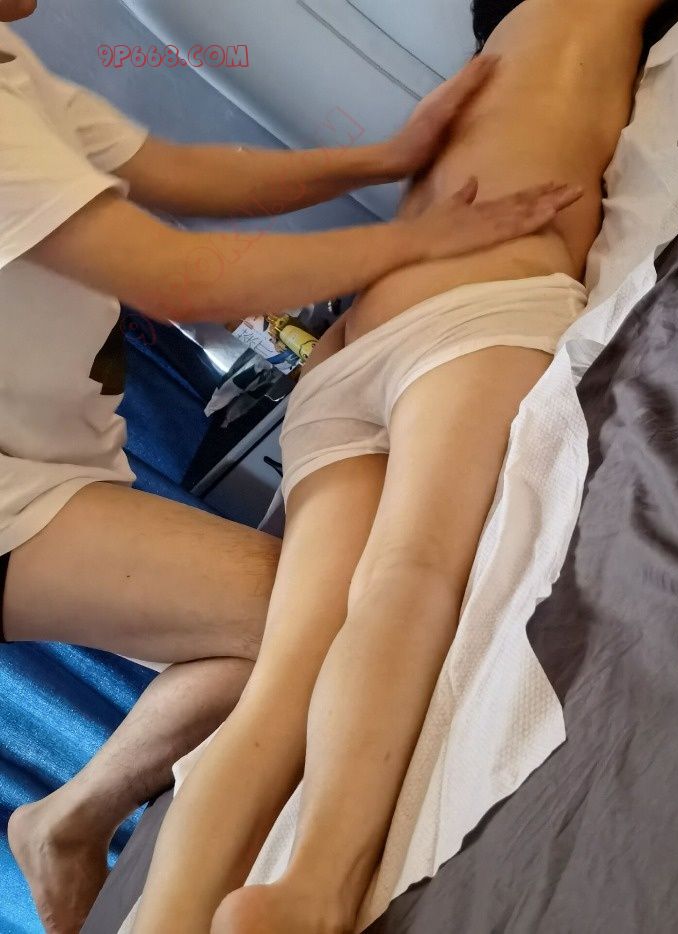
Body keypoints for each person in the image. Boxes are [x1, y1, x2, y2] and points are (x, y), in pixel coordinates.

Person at [0, 1, 580, 931]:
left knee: (291, 648)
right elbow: (182, 278)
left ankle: (118, 862)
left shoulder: (9, 59)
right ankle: (306, 885)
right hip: (13, 494)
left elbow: (176, 171)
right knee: (379, 587)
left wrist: (383, 160)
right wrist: (416, 238)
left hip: (344, 361)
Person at [124, 0, 669, 932]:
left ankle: (171, 912)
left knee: (285, 674)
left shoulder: (509, 33)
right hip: (474, 295)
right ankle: (316, 885)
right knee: (406, 578)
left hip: (349, 342)